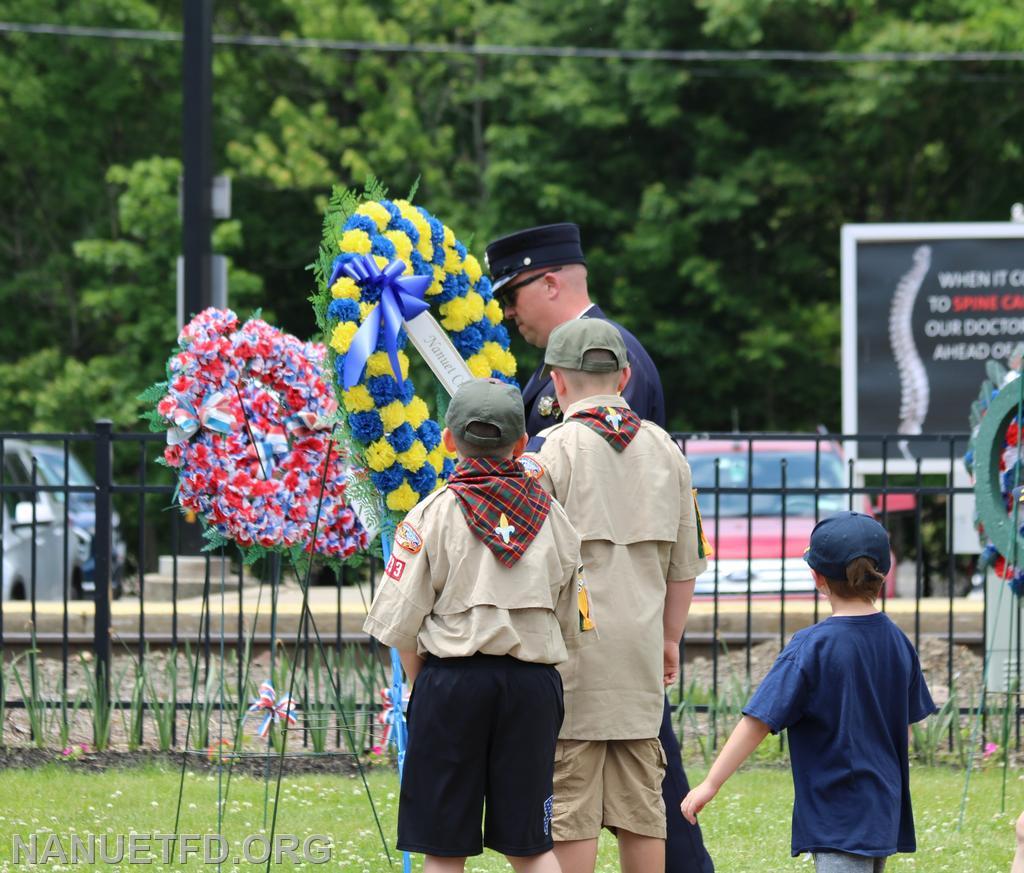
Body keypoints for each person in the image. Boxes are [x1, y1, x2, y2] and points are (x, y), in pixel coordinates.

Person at [486, 222, 713, 873]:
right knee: (645, 806)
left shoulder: (551, 449)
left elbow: (520, 540)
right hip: (640, 647)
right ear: (622, 373)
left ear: (557, 384)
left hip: (572, 649)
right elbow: (685, 556)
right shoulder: (667, 450)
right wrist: (671, 637)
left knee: (573, 805)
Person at [363, 378, 595, 873]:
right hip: (531, 687)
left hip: (451, 683)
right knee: (531, 845)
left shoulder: (431, 515)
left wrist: (423, 680)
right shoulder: (556, 519)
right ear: (520, 444)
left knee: (443, 847)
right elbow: (570, 619)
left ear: (449, 440)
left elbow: (402, 621)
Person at [681, 511, 937, 873]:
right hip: (883, 809)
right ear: (881, 574)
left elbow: (758, 720)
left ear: (817, 577)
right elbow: (906, 726)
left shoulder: (811, 647)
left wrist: (710, 783)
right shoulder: (898, 641)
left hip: (837, 815)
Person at [485, 222, 665, 437]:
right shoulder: (569, 353)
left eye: (509, 297)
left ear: (550, 285)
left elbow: (607, 457)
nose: (508, 312)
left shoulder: (609, 352)